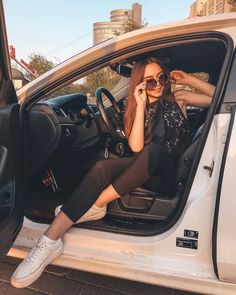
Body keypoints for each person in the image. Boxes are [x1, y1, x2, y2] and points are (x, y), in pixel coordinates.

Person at [11, 58, 215, 288]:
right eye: (150, 81)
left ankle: (95, 204)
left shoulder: (179, 98)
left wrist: (188, 79)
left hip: (171, 176)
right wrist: (139, 105)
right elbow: (136, 147)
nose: (158, 84)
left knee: (153, 151)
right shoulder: (136, 106)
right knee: (101, 168)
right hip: (147, 166)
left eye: (162, 78)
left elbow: (222, 96)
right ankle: (48, 241)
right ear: (139, 84)